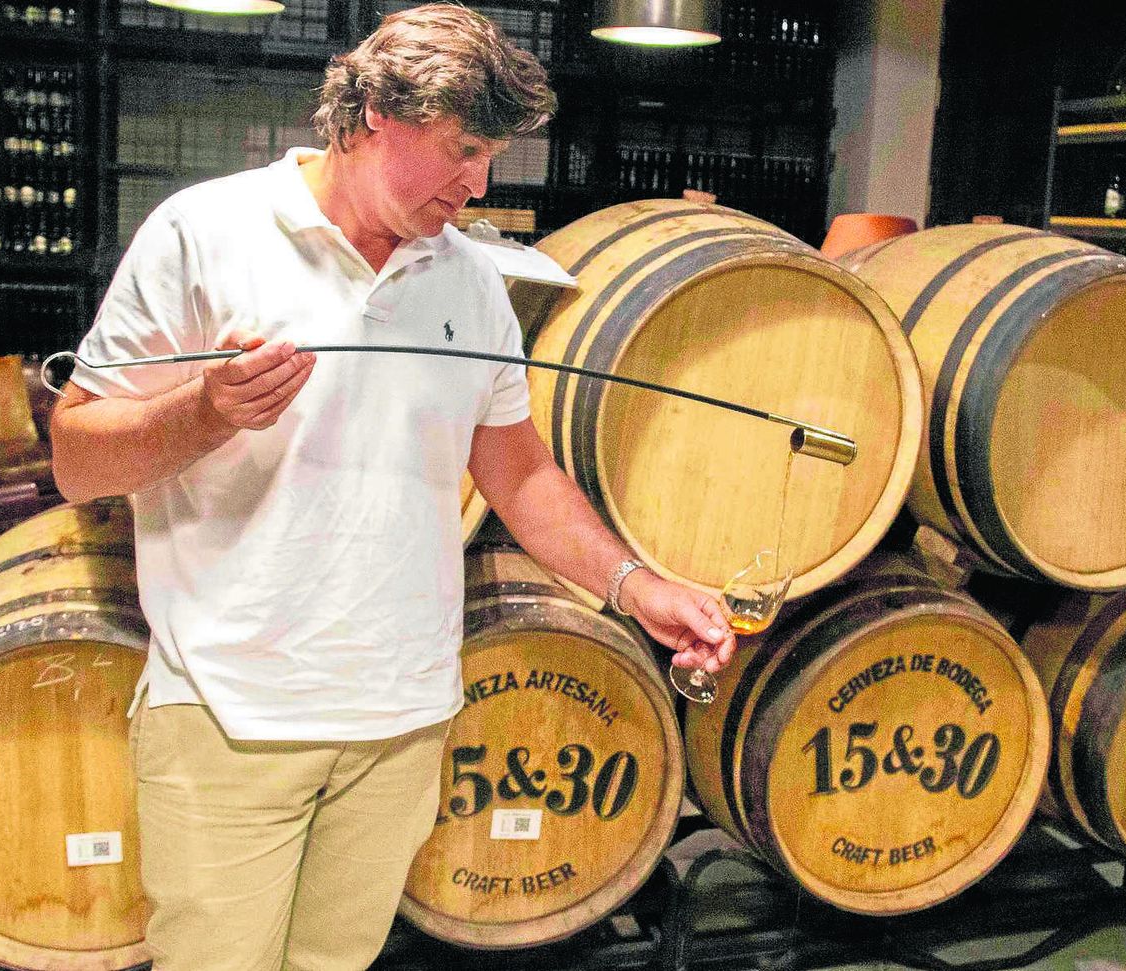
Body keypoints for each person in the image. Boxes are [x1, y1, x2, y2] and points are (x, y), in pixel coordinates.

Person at [49, 6, 736, 970]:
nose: (478, 182)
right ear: (372, 112)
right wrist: (203, 412)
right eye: (462, 149)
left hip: (402, 719)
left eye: (490, 155)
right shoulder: (203, 234)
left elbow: (521, 471)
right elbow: (76, 455)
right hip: (233, 713)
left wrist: (638, 586)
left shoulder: (473, 284)